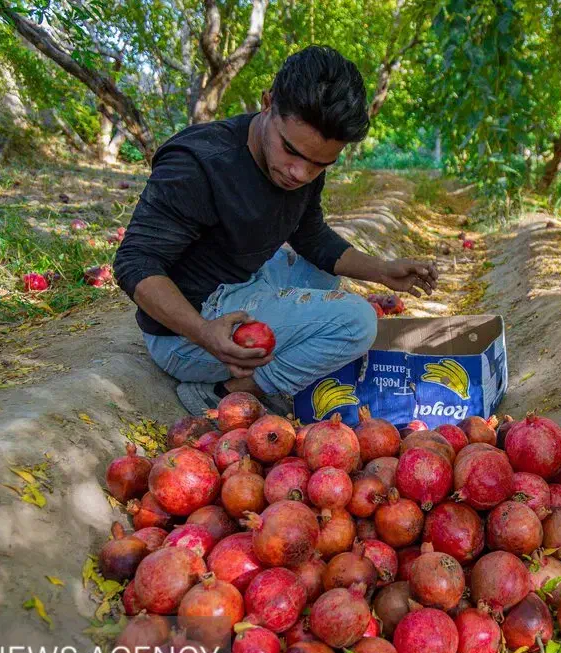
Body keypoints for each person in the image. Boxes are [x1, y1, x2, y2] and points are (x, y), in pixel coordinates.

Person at [114, 45, 437, 416]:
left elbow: (311, 236)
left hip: (241, 282)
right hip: (190, 332)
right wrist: (204, 332)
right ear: (267, 104)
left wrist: (382, 270)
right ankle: (226, 392)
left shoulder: (304, 161)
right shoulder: (198, 163)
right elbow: (135, 262)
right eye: (291, 151)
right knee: (357, 323)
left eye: (320, 164)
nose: (300, 173)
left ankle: (264, 356)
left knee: (322, 274)